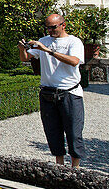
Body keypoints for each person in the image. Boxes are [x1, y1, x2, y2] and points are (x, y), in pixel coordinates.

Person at [19, 13, 86, 168]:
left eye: (53, 27)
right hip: (48, 93)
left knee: (74, 132)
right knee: (53, 132)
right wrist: (22, 49)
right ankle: (59, 166)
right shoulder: (44, 41)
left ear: (63, 25)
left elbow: (74, 61)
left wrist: (48, 51)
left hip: (70, 93)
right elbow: (25, 58)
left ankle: (75, 168)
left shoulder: (73, 42)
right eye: (47, 27)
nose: (50, 30)